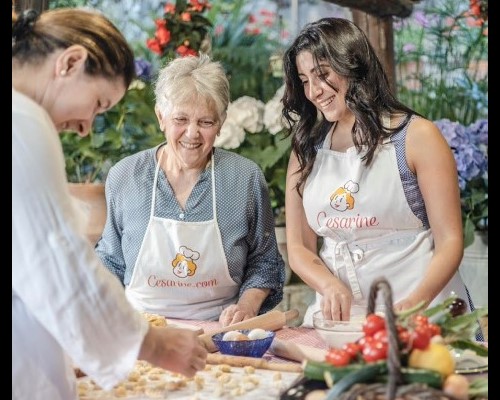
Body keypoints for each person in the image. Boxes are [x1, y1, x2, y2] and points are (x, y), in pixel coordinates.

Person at [12, 8, 207, 400]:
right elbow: (59, 265)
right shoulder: (23, 121)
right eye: (98, 103)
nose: (86, 126)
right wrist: (152, 344)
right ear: (70, 62)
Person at [280, 17, 473, 327]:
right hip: (344, 321)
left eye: (322, 75)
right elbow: (300, 248)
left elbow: (450, 241)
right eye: (304, 80)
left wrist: (413, 306)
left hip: (423, 312)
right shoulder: (306, 149)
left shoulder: (418, 137)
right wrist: (328, 285)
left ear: (352, 66)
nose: (314, 91)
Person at [95, 54, 285, 327]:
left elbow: (264, 262)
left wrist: (246, 307)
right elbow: (110, 261)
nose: (192, 133)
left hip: (219, 330)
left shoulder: (244, 178)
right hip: (140, 329)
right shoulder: (126, 176)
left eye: (206, 122)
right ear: (161, 117)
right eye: (180, 119)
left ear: (221, 123)